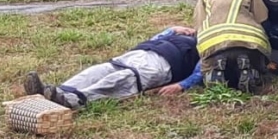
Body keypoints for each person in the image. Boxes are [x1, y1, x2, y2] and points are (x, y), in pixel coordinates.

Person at [23, 26, 202, 109]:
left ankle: (71, 100)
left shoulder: (207, 46)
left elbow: (204, 69)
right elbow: (156, 38)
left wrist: (182, 85)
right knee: (96, 71)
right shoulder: (183, 33)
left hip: (160, 66)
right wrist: (172, 29)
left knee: (119, 80)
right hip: (137, 54)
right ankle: (52, 92)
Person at [194, 0, 270, 92]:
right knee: (259, 62)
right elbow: (262, 16)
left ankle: (214, 71)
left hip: (213, 43)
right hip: (248, 40)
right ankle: (250, 68)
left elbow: (198, 23)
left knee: (208, 66)